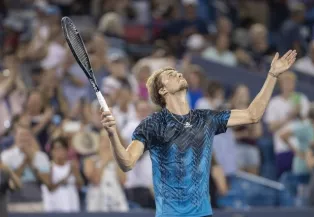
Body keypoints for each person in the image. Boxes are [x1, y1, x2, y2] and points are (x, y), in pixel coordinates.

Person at [101, 50, 297, 217]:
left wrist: (272, 75)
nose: (177, 74)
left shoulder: (206, 119)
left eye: (176, 71)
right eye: (170, 75)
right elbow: (127, 162)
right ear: (162, 91)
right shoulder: (152, 124)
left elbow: (252, 115)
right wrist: (112, 134)